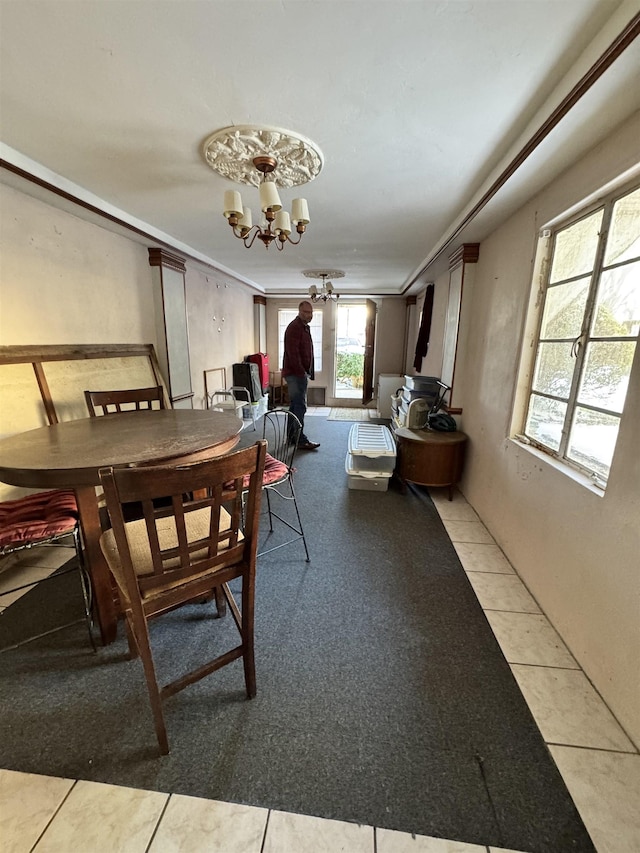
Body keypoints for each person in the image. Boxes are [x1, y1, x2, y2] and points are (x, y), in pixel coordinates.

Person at [282, 300, 320, 450]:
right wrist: (302, 373)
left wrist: (308, 371)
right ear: (299, 311)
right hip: (295, 374)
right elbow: (293, 354)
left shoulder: (304, 328)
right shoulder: (295, 328)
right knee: (300, 406)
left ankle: (292, 437)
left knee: (294, 406)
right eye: (306, 312)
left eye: (310, 312)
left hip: (297, 373)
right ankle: (300, 439)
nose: (309, 315)